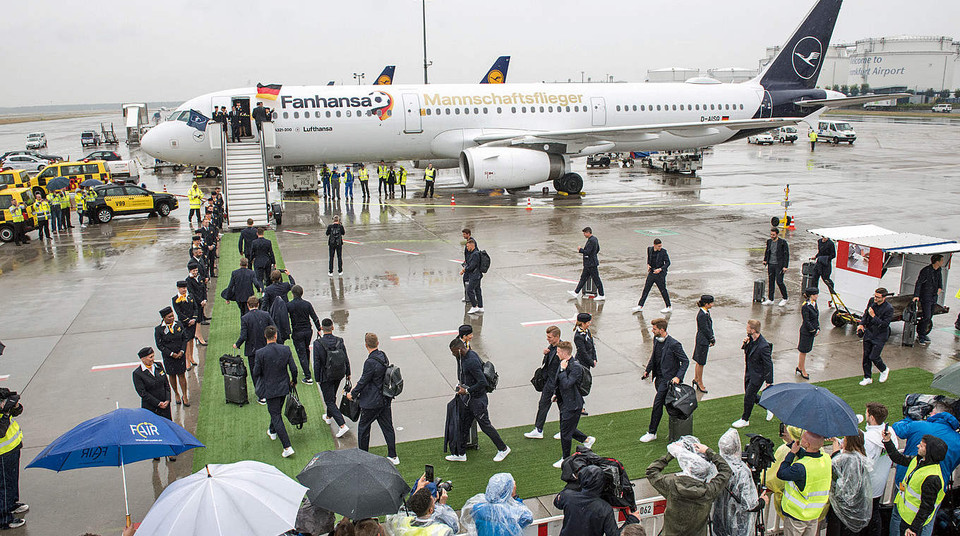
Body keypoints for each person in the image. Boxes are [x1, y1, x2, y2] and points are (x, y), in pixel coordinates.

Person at [446, 329, 511, 463]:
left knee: (485, 426)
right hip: (470, 400)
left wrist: (466, 391)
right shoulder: (466, 356)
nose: (452, 354)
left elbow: (482, 382)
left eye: (453, 352)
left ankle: (503, 449)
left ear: (459, 350)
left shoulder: (471, 361)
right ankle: (460, 453)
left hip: (477, 400)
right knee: (464, 425)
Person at [646, 439, 733, 536]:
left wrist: (671, 454)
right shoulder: (709, 491)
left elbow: (651, 471)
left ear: (689, 468)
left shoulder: (672, 486)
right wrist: (709, 451)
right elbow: (726, 470)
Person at [883, 429, 947, 536]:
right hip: (906, 516)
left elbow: (927, 508)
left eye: (921, 446)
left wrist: (913, 528)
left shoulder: (932, 478)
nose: (917, 446)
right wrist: (887, 441)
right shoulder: (919, 461)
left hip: (912, 522)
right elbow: (899, 458)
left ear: (929, 452)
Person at [347, 333, 399, 464]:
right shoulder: (383, 356)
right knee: (387, 427)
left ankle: (363, 456)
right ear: (378, 343)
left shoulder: (370, 362)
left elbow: (364, 380)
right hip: (384, 399)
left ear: (366, 345)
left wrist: (353, 394)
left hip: (372, 401)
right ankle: (393, 455)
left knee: (363, 428)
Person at [889, 400, 960, 489]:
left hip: (906, 480)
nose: (929, 413)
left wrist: (910, 417)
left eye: (932, 411)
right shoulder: (958, 440)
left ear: (937, 414)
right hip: (937, 486)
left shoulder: (919, 425)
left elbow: (897, 428)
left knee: (902, 496)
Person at [555, 465, 641, 536]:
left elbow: (557, 503)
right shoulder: (605, 509)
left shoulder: (568, 496)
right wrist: (632, 520)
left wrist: (575, 485)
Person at [640, 318, 688, 442]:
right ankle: (680, 430)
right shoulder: (656, 340)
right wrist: (648, 370)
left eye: (654, 329)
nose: (652, 331)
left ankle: (652, 432)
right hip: (659, 379)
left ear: (662, 330)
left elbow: (685, 361)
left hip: (668, 381)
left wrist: (678, 377)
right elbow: (654, 357)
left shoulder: (674, 344)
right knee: (669, 405)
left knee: (657, 404)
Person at [252, 326, 298, 458]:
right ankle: (272, 430)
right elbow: (294, 369)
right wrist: (294, 381)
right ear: (276, 336)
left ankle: (287, 447)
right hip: (283, 387)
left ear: (265, 336)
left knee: (276, 415)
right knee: (276, 412)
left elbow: (256, 372)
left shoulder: (260, 353)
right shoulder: (285, 349)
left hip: (270, 389)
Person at [777, 431, 833, 536]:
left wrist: (791, 453)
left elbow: (781, 473)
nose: (800, 439)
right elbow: (808, 456)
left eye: (803, 438)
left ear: (807, 444)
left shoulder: (800, 467)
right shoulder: (826, 458)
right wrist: (791, 443)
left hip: (796, 515)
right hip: (814, 514)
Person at [551, 341, 595, 468]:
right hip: (565, 402)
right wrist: (557, 394)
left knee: (565, 433)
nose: (557, 354)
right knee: (566, 428)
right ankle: (587, 440)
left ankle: (566, 459)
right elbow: (559, 383)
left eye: (558, 352)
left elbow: (567, 384)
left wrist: (562, 370)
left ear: (564, 352)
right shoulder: (563, 363)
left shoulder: (575, 366)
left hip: (573, 405)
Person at [712, 429, 760, 536]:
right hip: (739, 525)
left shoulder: (715, 467)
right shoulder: (742, 471)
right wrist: (762, 501)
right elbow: (749, 504)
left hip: (719, 522)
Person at [826, 432, 873, 536]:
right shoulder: (861, 457)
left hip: (841, 509)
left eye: (845, 438)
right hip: (856, 507)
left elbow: (837, 481)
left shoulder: (845, 459)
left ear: (849, 441)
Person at [863, 403, 898, 536]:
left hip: (867, 485)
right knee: (874, 512)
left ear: (871, 417)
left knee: (865, 517)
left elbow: (865, 463)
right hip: (881, 481)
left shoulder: (869, 438)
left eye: (867, 413)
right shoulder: (890, 432)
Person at [460, 473, 533, 536]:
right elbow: (528, 518)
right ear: (508, 491)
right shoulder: (514, 513)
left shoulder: (477, 508)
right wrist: (514, 496)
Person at [234, 296, 276, 402]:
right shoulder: (265, 315)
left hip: (252, 350)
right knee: (268, 370)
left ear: (248, 305)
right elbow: (273, 328)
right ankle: (270, 390)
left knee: (255, 372)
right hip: (266, 347)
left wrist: (237, 344)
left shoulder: (245, 318)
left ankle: (261, 395)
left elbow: (244, 335)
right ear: (258, 304)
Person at [733, 319, 773, 429]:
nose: (746, 329)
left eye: (748, 327)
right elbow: (748, 353)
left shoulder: (763, 346)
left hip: (758, 375)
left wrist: (769, 381)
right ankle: (769, 406)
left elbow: (768, 364)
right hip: (749, 372)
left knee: (748, 396)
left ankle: (745, 419)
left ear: (753, 330)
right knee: (751, 395)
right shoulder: (751, 339)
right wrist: (745, 344)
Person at [314, 318, 351, 438]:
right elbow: (345, 357)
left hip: (325, 376)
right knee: (332, 395)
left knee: (329, 400)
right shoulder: (339, 341)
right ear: (332, 327)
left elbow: (317, 362)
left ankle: (342, 425)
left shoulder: (318, 343)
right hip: (339, 373)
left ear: (322, 328)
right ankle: (328, 416)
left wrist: (317, 378)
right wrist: (348, 372)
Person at [525, 326, 562, 440]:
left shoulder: (561, 349)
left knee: (563, 407)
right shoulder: (551, 347)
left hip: (558, 384)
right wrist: (546, 354)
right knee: (543, 405)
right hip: (549, 383)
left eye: (550, 337)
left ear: (557, 337)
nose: (547, 339)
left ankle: (564, 430)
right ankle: (538, 429)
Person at [0, 388, 26, 530]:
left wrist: (15, 406)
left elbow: (17, 412)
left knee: (12, 480)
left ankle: (12, 504)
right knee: (3, 485)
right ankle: (4, 519)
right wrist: (5, 413)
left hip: (12, 448)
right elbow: (1, 431)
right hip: (2, 454)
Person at [387, 484, 455, 536]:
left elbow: (402, 511)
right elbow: (454, 526)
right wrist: (442, 506)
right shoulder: (442, 531)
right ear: (431, 510)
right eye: (433, 502)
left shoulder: (402, 523)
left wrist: (416, 493)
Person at [857, 288, 892, 386]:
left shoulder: (889, 309)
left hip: (880, 335)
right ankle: (867, 377)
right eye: (875, 296)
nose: (875, 298)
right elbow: (866, 313)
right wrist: (861, 324)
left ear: (884, 298)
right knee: (866, 356)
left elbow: (884, 324)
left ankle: (883, 369)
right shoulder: (872, 301)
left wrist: (873, 316)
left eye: (878, 297)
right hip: (869, 332)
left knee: (874, 356)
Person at [154, 306, 189, 406]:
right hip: (169, 357)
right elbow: (160, 345)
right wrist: (171, 354)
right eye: (169, 317)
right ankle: (176, 393)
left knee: (181, 374)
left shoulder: (179, 324)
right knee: (172, 375)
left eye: (173, 316)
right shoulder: (159, 330)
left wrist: (182, 351)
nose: (172, 318)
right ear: (164, 318)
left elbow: (184, 338)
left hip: (180, 354)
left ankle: (185, 395)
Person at [288, 285, 321, 384]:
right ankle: (306, 369)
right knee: (306, 350)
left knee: (301, 353)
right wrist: (319, 328)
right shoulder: (307, 304)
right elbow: (314, 317)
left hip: (297, 331)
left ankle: (308, 376)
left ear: (292, 294)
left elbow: (284, 318)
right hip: (308, 331)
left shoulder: (289, 305)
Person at [132, 347, 172, 421]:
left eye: (153, 356)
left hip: (165, 406)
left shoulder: (159, 366)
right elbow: (142, 393)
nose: (153, 359)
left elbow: (166, 384)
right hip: (151, 408)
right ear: (143, 359)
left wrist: (168, 399)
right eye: (150, 357)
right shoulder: (137, 373)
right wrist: (158, 403)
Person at [632, 238, 671, 313]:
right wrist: (648, 265)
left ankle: (668, 306)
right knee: (646, 289)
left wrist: (660, 269)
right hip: (652, 272)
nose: (660, 247)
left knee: (663, 290)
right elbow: (649, 258)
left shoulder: (663, 252)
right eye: (659, 246)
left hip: (660, 274)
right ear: (654, 245)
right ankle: (640, 306)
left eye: (661, 246)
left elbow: (668, 262)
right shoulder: (649, 249)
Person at [172, 280, 204, 371]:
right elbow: (179, 312)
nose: (184, 290)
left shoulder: (190, 296)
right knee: (186, 341)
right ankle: (187, 361)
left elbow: (195, 308)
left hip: (192, 322)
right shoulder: (175, 299)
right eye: (182, 288)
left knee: (191, 339)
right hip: (184, 323)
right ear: (178, 288)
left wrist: (194, 318)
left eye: (185, 288)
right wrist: (187, 320)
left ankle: (191, 357)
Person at [912, 254, 944, 344]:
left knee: (930, 316)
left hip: (934, 296)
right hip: (926, 296)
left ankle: (922, 333)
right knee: (927, 316)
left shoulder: (939, 270)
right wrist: (916, 295)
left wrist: (939, 288)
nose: (942, 262)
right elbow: (919, 283)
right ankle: (921, 335)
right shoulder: (926, 271)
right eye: (941, 260)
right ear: (937, 262)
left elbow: (940, 281)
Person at [569, 227, 605, 301]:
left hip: (591, 264)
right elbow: (598, 249)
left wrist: (580, 250)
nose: (584, 234)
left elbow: (587, 252)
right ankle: (576, 292)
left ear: (588, 232)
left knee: (596, 279)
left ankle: (601, 295)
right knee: (583, 278)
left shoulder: (591, 241)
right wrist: (593, 255)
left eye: (585, 233)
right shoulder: (595, 239)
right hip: (589, 264)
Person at [573, 312, 597, 414]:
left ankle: (579, 404)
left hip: (587, 362)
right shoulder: (578, 336)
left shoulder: (587, 331)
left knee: (583, 384)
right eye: (587, 322)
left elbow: (592, 346)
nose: (589, 324)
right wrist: (591, 362)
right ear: (582, 323)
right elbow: (582, 352)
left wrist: (594, 358)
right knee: (580, 385)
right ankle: (580, 406)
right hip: (582, 363)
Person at [691, 295, 715, 393]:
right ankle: (699, 382)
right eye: (711, 303)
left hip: (702, 339)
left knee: (699, 361)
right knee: (701, 362)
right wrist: (711, 338)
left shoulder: (705, 313)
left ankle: (696, 378)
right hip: (702, 340)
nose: (712, 304)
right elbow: (705, 329)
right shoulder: (702, 315)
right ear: (706, 304)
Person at [796, 287, 820, 380]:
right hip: (806, 332)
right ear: (811, 295)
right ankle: (802, 370)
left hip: (811, 331)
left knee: (806, 350)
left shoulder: (814, 304)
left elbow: (816, 317)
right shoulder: (805, 306)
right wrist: (813, 330)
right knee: (803, 351)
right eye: (815, 294)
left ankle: (799, 366)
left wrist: (818, 327)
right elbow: (806, 320)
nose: (817, 296)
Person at [763, 228, 790, 306]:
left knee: (779, 281)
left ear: (777, 234)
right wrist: (765, 260)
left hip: (779, 265)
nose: (772, 236)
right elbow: (767, 251)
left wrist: (785, 266)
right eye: (771, 234)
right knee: (771, 281)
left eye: (773, 235)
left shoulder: (783, 243)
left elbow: (786, 255)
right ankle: (770, 299)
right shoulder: (769, 241)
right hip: (771, 264)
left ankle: (785, 297)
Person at [461, 239, 484, 314]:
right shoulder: (475, 253)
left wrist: (465, 269)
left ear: (472, 246)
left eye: (468, 246)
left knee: (469, 290)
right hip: (477, 275)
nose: (467, 248)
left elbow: (472, 266)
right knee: (477, 290)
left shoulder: (475, 254)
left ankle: (474, 306)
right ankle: (480, 306)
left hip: (475, 275)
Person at [460, 229, 477, 303]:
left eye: (464, 234)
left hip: (470, 265)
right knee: (466, 279)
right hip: (468, 263)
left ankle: (469, 295)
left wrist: (468, 264)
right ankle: (468, 295)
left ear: (468, 234)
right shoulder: (468, 241)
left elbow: (473, 253)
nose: (463, 236)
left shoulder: (472, 242)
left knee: (466, 279)